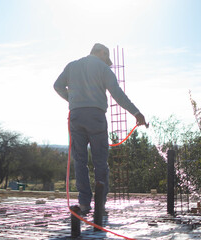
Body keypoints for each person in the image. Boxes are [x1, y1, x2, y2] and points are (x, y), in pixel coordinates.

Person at [54, 43, 146, 215]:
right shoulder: (103, 69)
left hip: (76, 116)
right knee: (100, 162)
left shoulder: (72, 66)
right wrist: (136, 112)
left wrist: (73, 100)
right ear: (101, 53)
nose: (107, 61)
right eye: (106, 57)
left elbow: (57, 85)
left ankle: (83, 205)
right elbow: (117, 94)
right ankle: (100, 206)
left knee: (80, 161)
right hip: (96, 116)